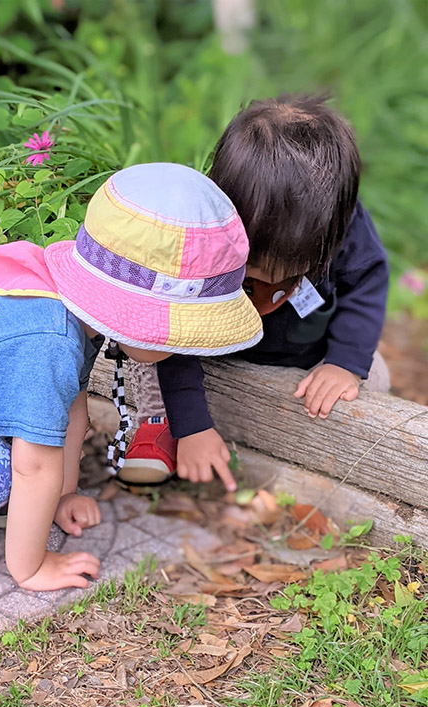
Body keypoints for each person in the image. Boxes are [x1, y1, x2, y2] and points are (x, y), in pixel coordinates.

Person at [0, 162, 262, 612]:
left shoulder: (65, 309)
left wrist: (63, 495)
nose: (187, 346)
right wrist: (31, 566)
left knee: (20, 451)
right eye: (186, 331)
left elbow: (70, 406)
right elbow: (34, 467)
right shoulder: (47, 343)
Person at [118, 94, 390, 488]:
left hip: (304, 353)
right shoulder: (202, 231)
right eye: (250, 264)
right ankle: (159, 421)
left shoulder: (343, 225)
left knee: (374, 376)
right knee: (145, 342)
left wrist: (344, 363)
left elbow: (367, 284)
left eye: (287, 268)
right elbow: (177, 331)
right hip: (212, 350)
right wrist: (191, 426)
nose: (265, 279)